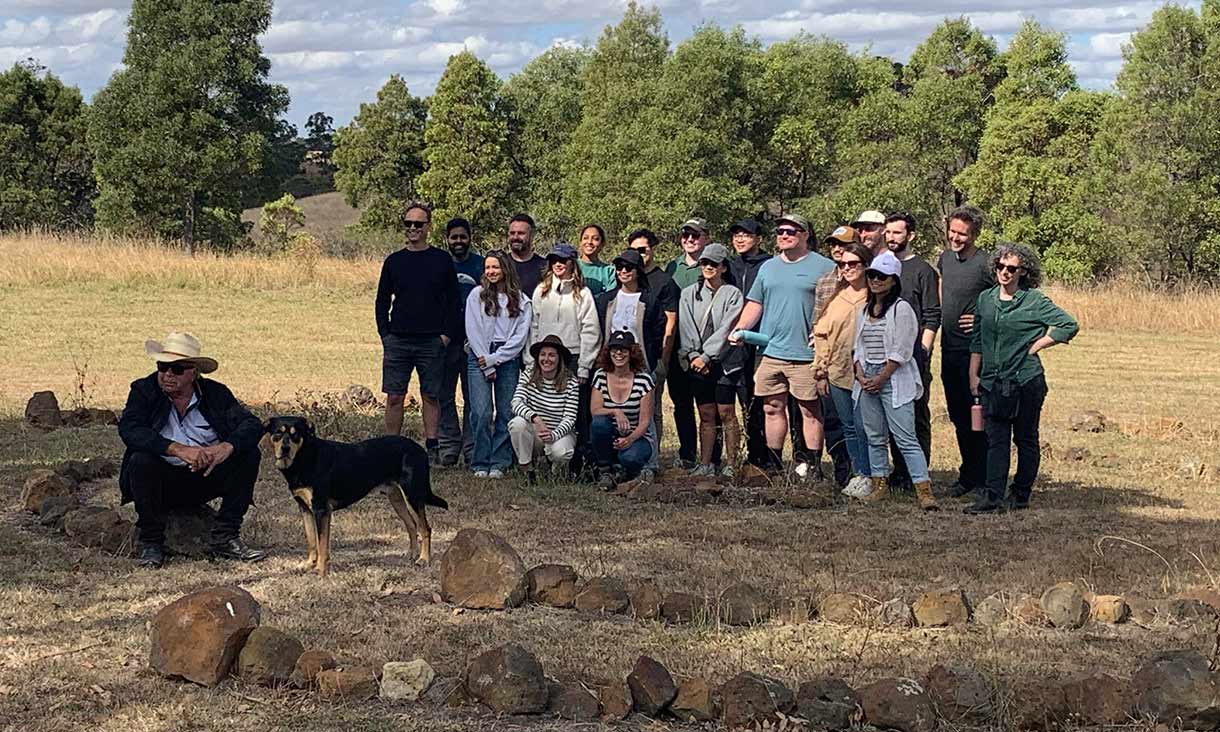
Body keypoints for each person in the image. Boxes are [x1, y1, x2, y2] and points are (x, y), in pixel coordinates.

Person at [118, 332, 265, 568]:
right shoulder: (144, 390)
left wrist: (225, 448)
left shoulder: (215, 394)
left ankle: (225, 537)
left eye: (177, 369)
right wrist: (178, 449)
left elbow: (251, 424)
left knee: (248, 454)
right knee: (141, 460)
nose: (167, 374)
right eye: (163, 366)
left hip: (206, 477)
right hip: (162, 481)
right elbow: (130, 429)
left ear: (194, 372)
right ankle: (151, 543)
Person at [966, 244, 1078, 514]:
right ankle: (993, 497)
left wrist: (1039, 345)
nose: (1005, 273)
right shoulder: (986, 299)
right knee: (996, 439)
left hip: (1026, 380)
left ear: (1023, 271)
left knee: (1026, 438)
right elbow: (977, 338)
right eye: (1000, 267)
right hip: (993, 381)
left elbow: (1068, 324)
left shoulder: (1034, 301)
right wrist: (974, 373)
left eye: (1011, 268)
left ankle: (1020, 494)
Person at [728, 213, 835, 480]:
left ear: (805, 235)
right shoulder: (768, 267)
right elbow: (756, 303)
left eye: (790, 231)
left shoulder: (824, 266)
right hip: (770, 352)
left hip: (805, 354)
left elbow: (835, 306)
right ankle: (774, 464)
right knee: (771, 407)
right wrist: (740, 328)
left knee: (809, 410)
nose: (784, 236)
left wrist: (823, 333)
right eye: (780, 232)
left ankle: (812, 465)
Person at [851, 252, 938, 510]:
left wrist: (882, 377)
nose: (876, 280)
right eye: (872, 275)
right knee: (875, 436)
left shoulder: (901, 309)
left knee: (905, 437)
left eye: (882, 277)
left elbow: (902, 349)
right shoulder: (864, 310)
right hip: (867, 376)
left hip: (893, 377)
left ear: (893, 280)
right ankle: (880, 485)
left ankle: (923, 489)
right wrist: (861, 375)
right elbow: (858, 346)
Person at [376, 201, 461, 465]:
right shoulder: (394, 261)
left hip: (431, 341)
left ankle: (432, 448)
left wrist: (445, 336)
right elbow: (382, 301)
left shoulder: (441, 260)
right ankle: (391, 450)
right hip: (398, 340)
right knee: (394, 396)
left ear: (428, 227)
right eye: (408, 224)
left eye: (418, 224)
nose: (412, 228)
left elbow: (453, 302)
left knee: (431, 396)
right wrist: (385, 334)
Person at [526, 241, 601, 476]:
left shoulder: (583, 294)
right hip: (544, 355)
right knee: (545, 406)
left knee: (577, 414)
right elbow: (533, 326)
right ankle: (545, 460)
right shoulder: (541, 290)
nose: (558, 265)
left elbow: (591, 331)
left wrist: (584, 367)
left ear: (572, 263)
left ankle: (577, 465)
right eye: (554, 261)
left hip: (573, 357)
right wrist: (531, 360)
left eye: (563, 260)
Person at [938, 205, 994, 498]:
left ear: (975, 235)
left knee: (979, 418)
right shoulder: (945, 259)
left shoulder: (987, 264)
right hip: (949, 349)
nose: (956, 238)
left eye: (963, 234)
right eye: (953, 231)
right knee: (959, 416)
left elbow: (1004, 296)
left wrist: (981, 318)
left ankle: (986, 478)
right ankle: (967, 475)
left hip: (976, 354)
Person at [812, 239, 874, 497]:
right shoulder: (836, 297)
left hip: (867, 374)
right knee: (848, 426)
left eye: (853, 263)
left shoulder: (875, 295)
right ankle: (859, 474)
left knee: (866, 427)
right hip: (837, 372)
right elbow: (822, 337)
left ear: (865, 265)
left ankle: (874, 475)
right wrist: (820, 371)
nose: (847, 268)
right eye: (842, 264)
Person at [678, 244, 745, 479]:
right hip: (697, 362)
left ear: (723, 267)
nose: (708, 267)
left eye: (713, 264)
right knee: (706, 414)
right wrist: (694, 355)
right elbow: (686, 327)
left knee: (727, 412)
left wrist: (707, 355)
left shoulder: (733, 294)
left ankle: (732, 463)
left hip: (725, 362)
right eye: (705, 263)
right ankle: (705, 463)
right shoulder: (688, 294)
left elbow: (729, 327)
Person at [465, 251, 532, 478]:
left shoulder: (521, 300)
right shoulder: (477, 295)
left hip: (507, 358)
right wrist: (486, 361)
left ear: (505, 269)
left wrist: (497, 359)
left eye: (496, 267)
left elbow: (520, 338)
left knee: (506, 411)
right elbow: (472, 330)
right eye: (488, 267)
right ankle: (480, 461)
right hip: (479, 354)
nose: (491, 272)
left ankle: (500, 461)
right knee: (481, 412)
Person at [885, 211, 940, 492]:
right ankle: (898, 472)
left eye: (897, 232)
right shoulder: (881, 266)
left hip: (915, 355)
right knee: (893, 411)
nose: (891, 237)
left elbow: (932, 314)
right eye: (888, 232)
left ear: (911, 235)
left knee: (916, 414)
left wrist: (924, 350)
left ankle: (918, 475)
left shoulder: (923, 271)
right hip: (885, 354)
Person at [624, 229, 680, 471]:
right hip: (623, 362)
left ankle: (653, 459)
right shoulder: (624, 279)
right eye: (634, 250)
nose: (639, 254)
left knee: (653, 409)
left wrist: (663, 361)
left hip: (652, 357)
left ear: (653, 250)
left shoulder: (663, 281)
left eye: (643, 249)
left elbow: (670, 323)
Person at [664, 218, 711, 468]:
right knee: (681, 404)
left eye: (695, 235)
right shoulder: (673, 266)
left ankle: (712, 457)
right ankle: (687, 455)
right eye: (686, 235)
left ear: (706, 238)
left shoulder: (712, 265)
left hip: (704, 348)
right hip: (676, 347)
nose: (690, 240)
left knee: (707, 407)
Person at [726, 218, 772, 469]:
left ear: (759, 239)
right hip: (732, 341)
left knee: (759, 401)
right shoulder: (729, 266)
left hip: (762, 341)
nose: (740, 239)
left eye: (746, 234)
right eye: (736, 235)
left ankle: (762, 456)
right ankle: (738, 457)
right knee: (735, 400)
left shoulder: (770, 264)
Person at [438, 217, 484, 467]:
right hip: (445, 340)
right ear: (447, 239)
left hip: (472, 342)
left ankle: (471, 448)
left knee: (472, 397)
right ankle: (448, 447)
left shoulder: (479, 265)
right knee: (443, 394)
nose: (458, 242)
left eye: (462, 237)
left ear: (470, 238)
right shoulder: (440, 263)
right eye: (454, 237)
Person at [509, 335, 580, 484]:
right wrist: (536, 418)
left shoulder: (571, 382)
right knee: (517, 424)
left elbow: (570, 417)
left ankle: (556, 475)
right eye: (543, 354)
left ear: (559, 358)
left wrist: (553, 435)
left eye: (551, 355)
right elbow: (516, 402)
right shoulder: (528, 375)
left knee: (561, 453)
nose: (546, 359)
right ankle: (527, 470)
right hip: (536, 430)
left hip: (559, 432)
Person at [589, 331, 656, 490]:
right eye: (615, 349)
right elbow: (595, 409)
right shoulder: (600, 376)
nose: (619, 353)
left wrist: (630, 439)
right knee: (598, 423)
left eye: (623, 350)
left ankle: (628, 471)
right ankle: (605, 470)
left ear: (631, 353)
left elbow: (645, 421)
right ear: (609, 352)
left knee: (630, 457)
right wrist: (616, 411)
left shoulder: (644, 380)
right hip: (610, 433)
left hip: (637, 436)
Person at [507, 213, 548, 298]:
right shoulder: (501, 264)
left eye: (521, 233)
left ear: (532, 235)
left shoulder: (544, 267)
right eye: (512, 233)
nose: (515, 237)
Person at [577, 224, 616, 294]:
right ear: (580, 242)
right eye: (585, 238)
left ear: (602, 244)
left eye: (595, 239)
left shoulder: (609, 271)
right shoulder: (571, 266)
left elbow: (610, 298)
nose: (589, 242)